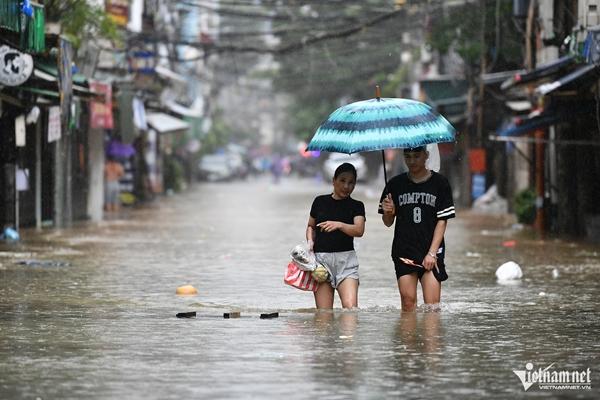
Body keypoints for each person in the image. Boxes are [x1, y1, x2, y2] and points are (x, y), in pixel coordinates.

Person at [379, 146, 455, 312]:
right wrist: (388, 212)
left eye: (416, 156)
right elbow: (387, 222)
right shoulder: (394, 184)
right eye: (408, 157)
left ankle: (431, 338)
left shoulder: (440, 183)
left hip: (431, 250)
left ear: (426, 156)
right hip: (404, 250)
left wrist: (432, 253)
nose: (412, 161)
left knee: (432, 308)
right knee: (408, 304)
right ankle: (408, 337)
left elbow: (442, 221)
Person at [306, 162, 366, 309]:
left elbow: (359, 230)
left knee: (351, 310)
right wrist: (309, 242)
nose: (346, 186)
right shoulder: (319, 202)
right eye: (342, 181)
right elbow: (310, 226)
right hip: (321, 263)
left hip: (346, 263)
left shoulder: (357, 205)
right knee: (324, 316)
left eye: (351, 182)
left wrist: (339, 225)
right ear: (334, 180)